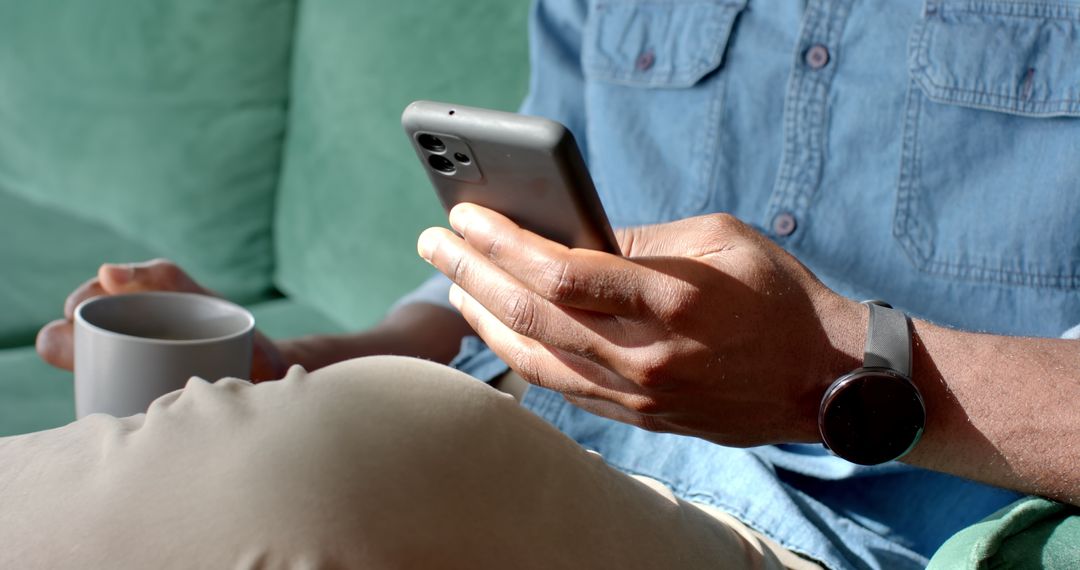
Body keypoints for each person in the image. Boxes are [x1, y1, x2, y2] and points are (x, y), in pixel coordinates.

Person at [7, 0, 1080, 568]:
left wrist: (827, 375)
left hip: (821, 535)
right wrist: (297, 362)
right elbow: (543, 273)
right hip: (509, 432)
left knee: (297, 468)